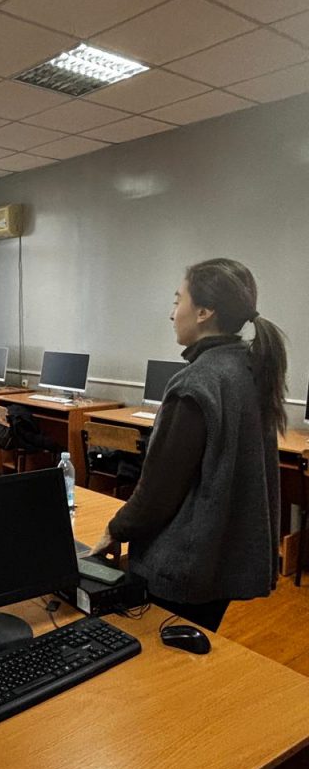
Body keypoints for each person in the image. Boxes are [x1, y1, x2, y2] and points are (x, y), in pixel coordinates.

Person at [90, 258, 287, 632]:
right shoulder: (250, 368)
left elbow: (159, 491)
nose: (171, 313)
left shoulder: (196, 383)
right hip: (223, 561)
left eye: (177, 300)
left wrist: (116, 530)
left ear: (204, 312)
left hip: (183, 565)